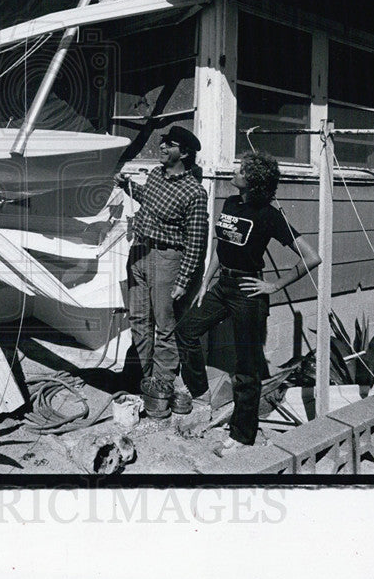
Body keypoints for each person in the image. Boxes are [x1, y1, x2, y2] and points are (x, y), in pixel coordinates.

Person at [177, 151, 321, 450]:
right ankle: (200, 391)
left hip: (248, 290)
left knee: (246, 368)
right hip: (221, 285)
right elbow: (222, 244)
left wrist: (274, 286)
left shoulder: (268, 215)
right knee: (186, 331)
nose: (236, 170)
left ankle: (242, 436)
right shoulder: (230, 203)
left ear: (253, 181)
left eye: (242, 169)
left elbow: (312, 257)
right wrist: (205, 282)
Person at [115, 126, 209, 418]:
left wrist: (183, 281)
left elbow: (195, 241)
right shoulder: (155, 175)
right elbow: (151, 201)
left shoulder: (195, 192)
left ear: (185, 153)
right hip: (140, 252)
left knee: (164, 325)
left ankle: (162, 384)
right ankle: (144, 379)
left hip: (168, 259)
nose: (163, 147)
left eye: (170, 144)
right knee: (139, 318)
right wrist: (126, 185)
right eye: (163, 142)